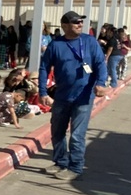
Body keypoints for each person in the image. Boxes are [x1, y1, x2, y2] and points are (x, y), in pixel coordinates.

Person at [39, 11, 108, 181]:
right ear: (64, 26)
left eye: (80, 22)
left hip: (83, 97)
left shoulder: (89, 41)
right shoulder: (56, 45)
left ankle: (76, 167)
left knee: (77, 134)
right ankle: (60, 162)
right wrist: (42, 92)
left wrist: (101, 82)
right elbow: (44, 68)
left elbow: (100, 63)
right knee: (57, 131)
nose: (79, 24)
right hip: (62, 96)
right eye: (75, 22)